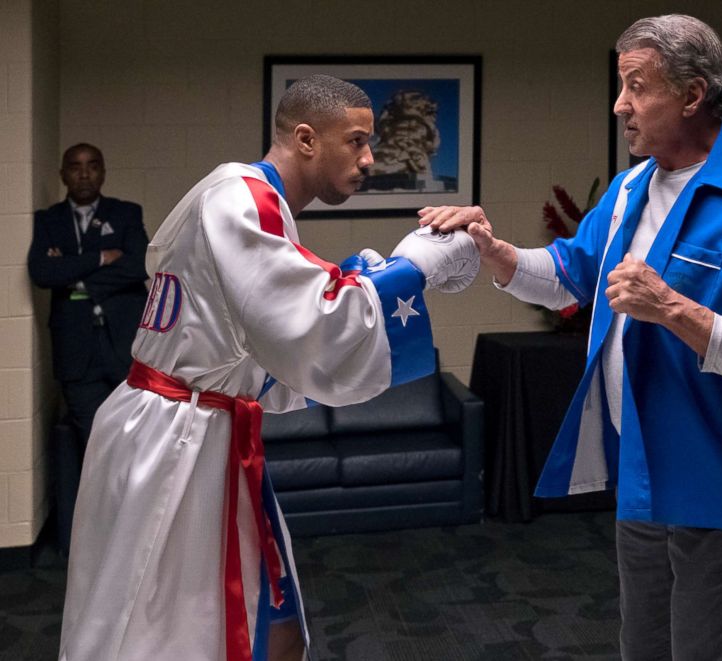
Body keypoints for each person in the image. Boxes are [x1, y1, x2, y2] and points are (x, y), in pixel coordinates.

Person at [420, 15, 722, 661]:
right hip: (642, 478)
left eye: (636, 86)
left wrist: (671, 308)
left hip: (720, 489)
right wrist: (494, 252)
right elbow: (571, 276)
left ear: (692, 94)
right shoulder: (633, 185)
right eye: (620, 85)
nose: (619, 105)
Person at [58, 75, 479, 661]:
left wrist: (375, 272)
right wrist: (416, 268)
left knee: (274, 623)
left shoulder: (245, 197)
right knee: (158, 635)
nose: (369, 158)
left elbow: (272, 326)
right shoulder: (244, 199)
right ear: (306, 139)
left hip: (195, 426)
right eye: (356, 141)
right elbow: (316, 322)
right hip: (177, 439)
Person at [27, 143, 149, 449]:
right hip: (76, 352)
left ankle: (130, 499)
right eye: (75, 167)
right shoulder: (47, 220)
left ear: (103, 173)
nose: (84, 174)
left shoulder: (125, 213)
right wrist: (100, 258)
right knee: (92, 443)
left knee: (136, 439)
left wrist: (73, 276)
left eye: (92, 165)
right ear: (63, 175)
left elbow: (139, 266)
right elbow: (43, 272)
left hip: (125, 345)